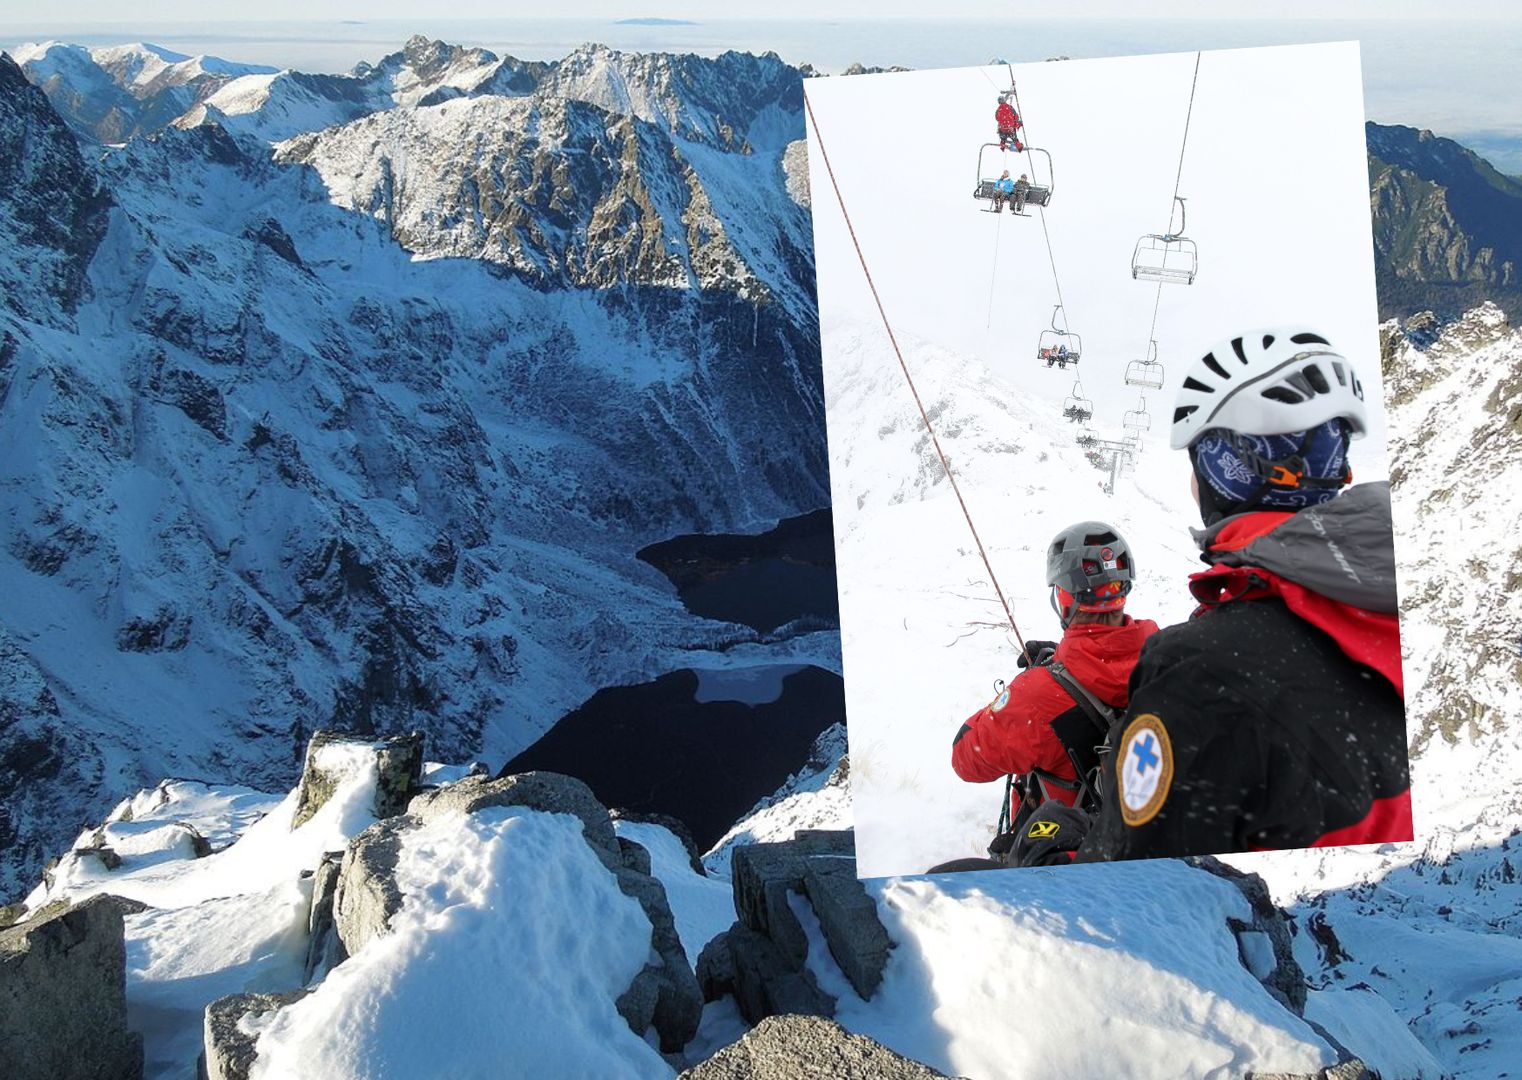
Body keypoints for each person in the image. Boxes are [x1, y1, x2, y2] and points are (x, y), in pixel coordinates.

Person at [1074, 328, 1413, 863]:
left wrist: (1055, 849)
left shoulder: (1203, 673)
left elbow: (1132, 893)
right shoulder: (1394, 590)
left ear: (1222, 468)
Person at [950, 523, 1160, 860]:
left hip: (1064, 852)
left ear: (1064, 598)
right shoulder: (1169, 658)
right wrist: (1056, 667)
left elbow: (965, 758)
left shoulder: (1035, 699)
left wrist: (1027, 690)